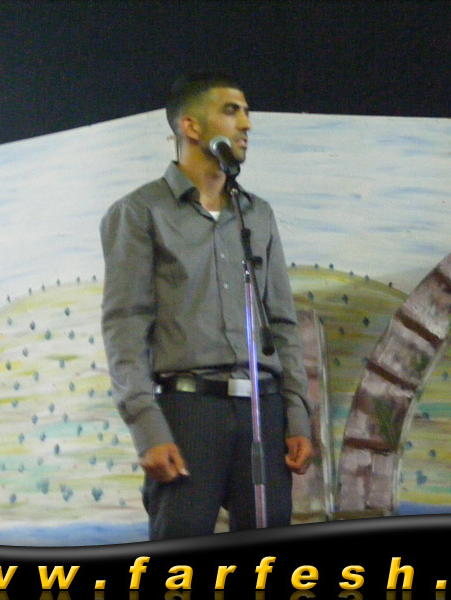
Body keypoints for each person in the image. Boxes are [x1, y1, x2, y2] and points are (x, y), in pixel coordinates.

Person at [100, 71, 313, 540]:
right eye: (231, 111)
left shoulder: (257, 214)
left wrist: (297, 415)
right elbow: (125, 327)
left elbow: (282, 322)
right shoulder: (139, 212)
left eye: (247, 112)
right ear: (191, 126)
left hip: (264, 409)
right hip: (189, 411)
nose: (247, 124)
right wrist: (147, 427)